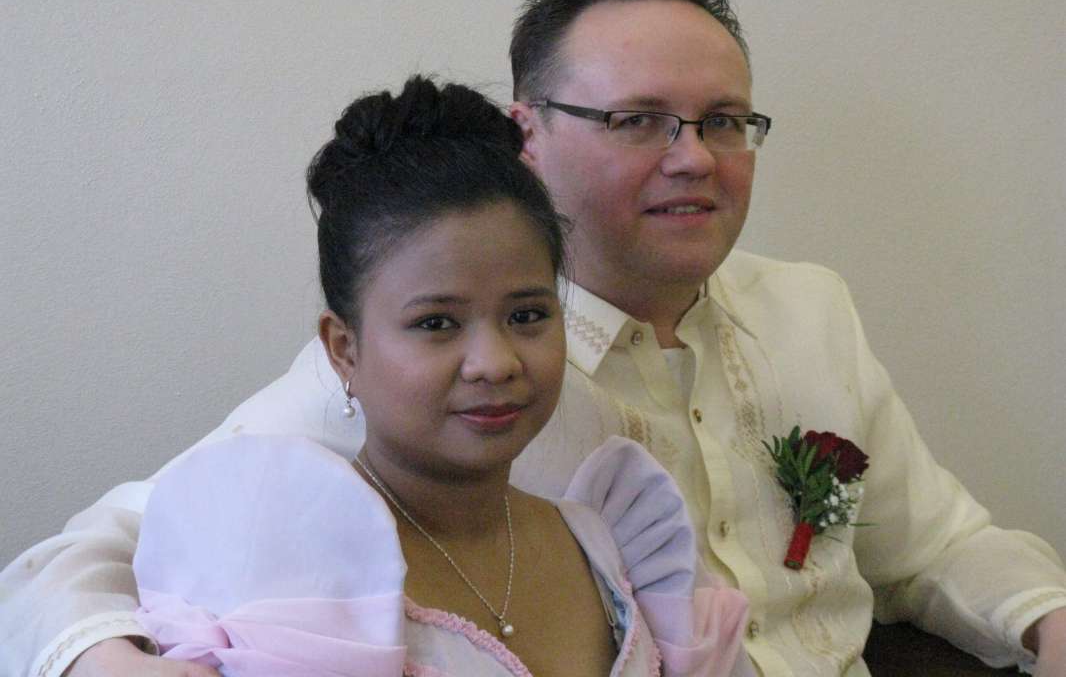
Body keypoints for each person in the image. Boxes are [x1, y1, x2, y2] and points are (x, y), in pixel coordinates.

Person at [2, 0, 1065, 677]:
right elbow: (79, 559)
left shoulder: (810, 306)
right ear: (528, 136)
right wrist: (102, 656)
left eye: (724, 120)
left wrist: (1045, 619)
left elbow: (936, 545)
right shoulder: (431, 378)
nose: (694, 157)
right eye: (638, 119)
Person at [87, 76, 756, 677]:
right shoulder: (290, 582)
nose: (495, 362)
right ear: (344, 349)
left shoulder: (616, 541)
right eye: (437, 323)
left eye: (527, 315)